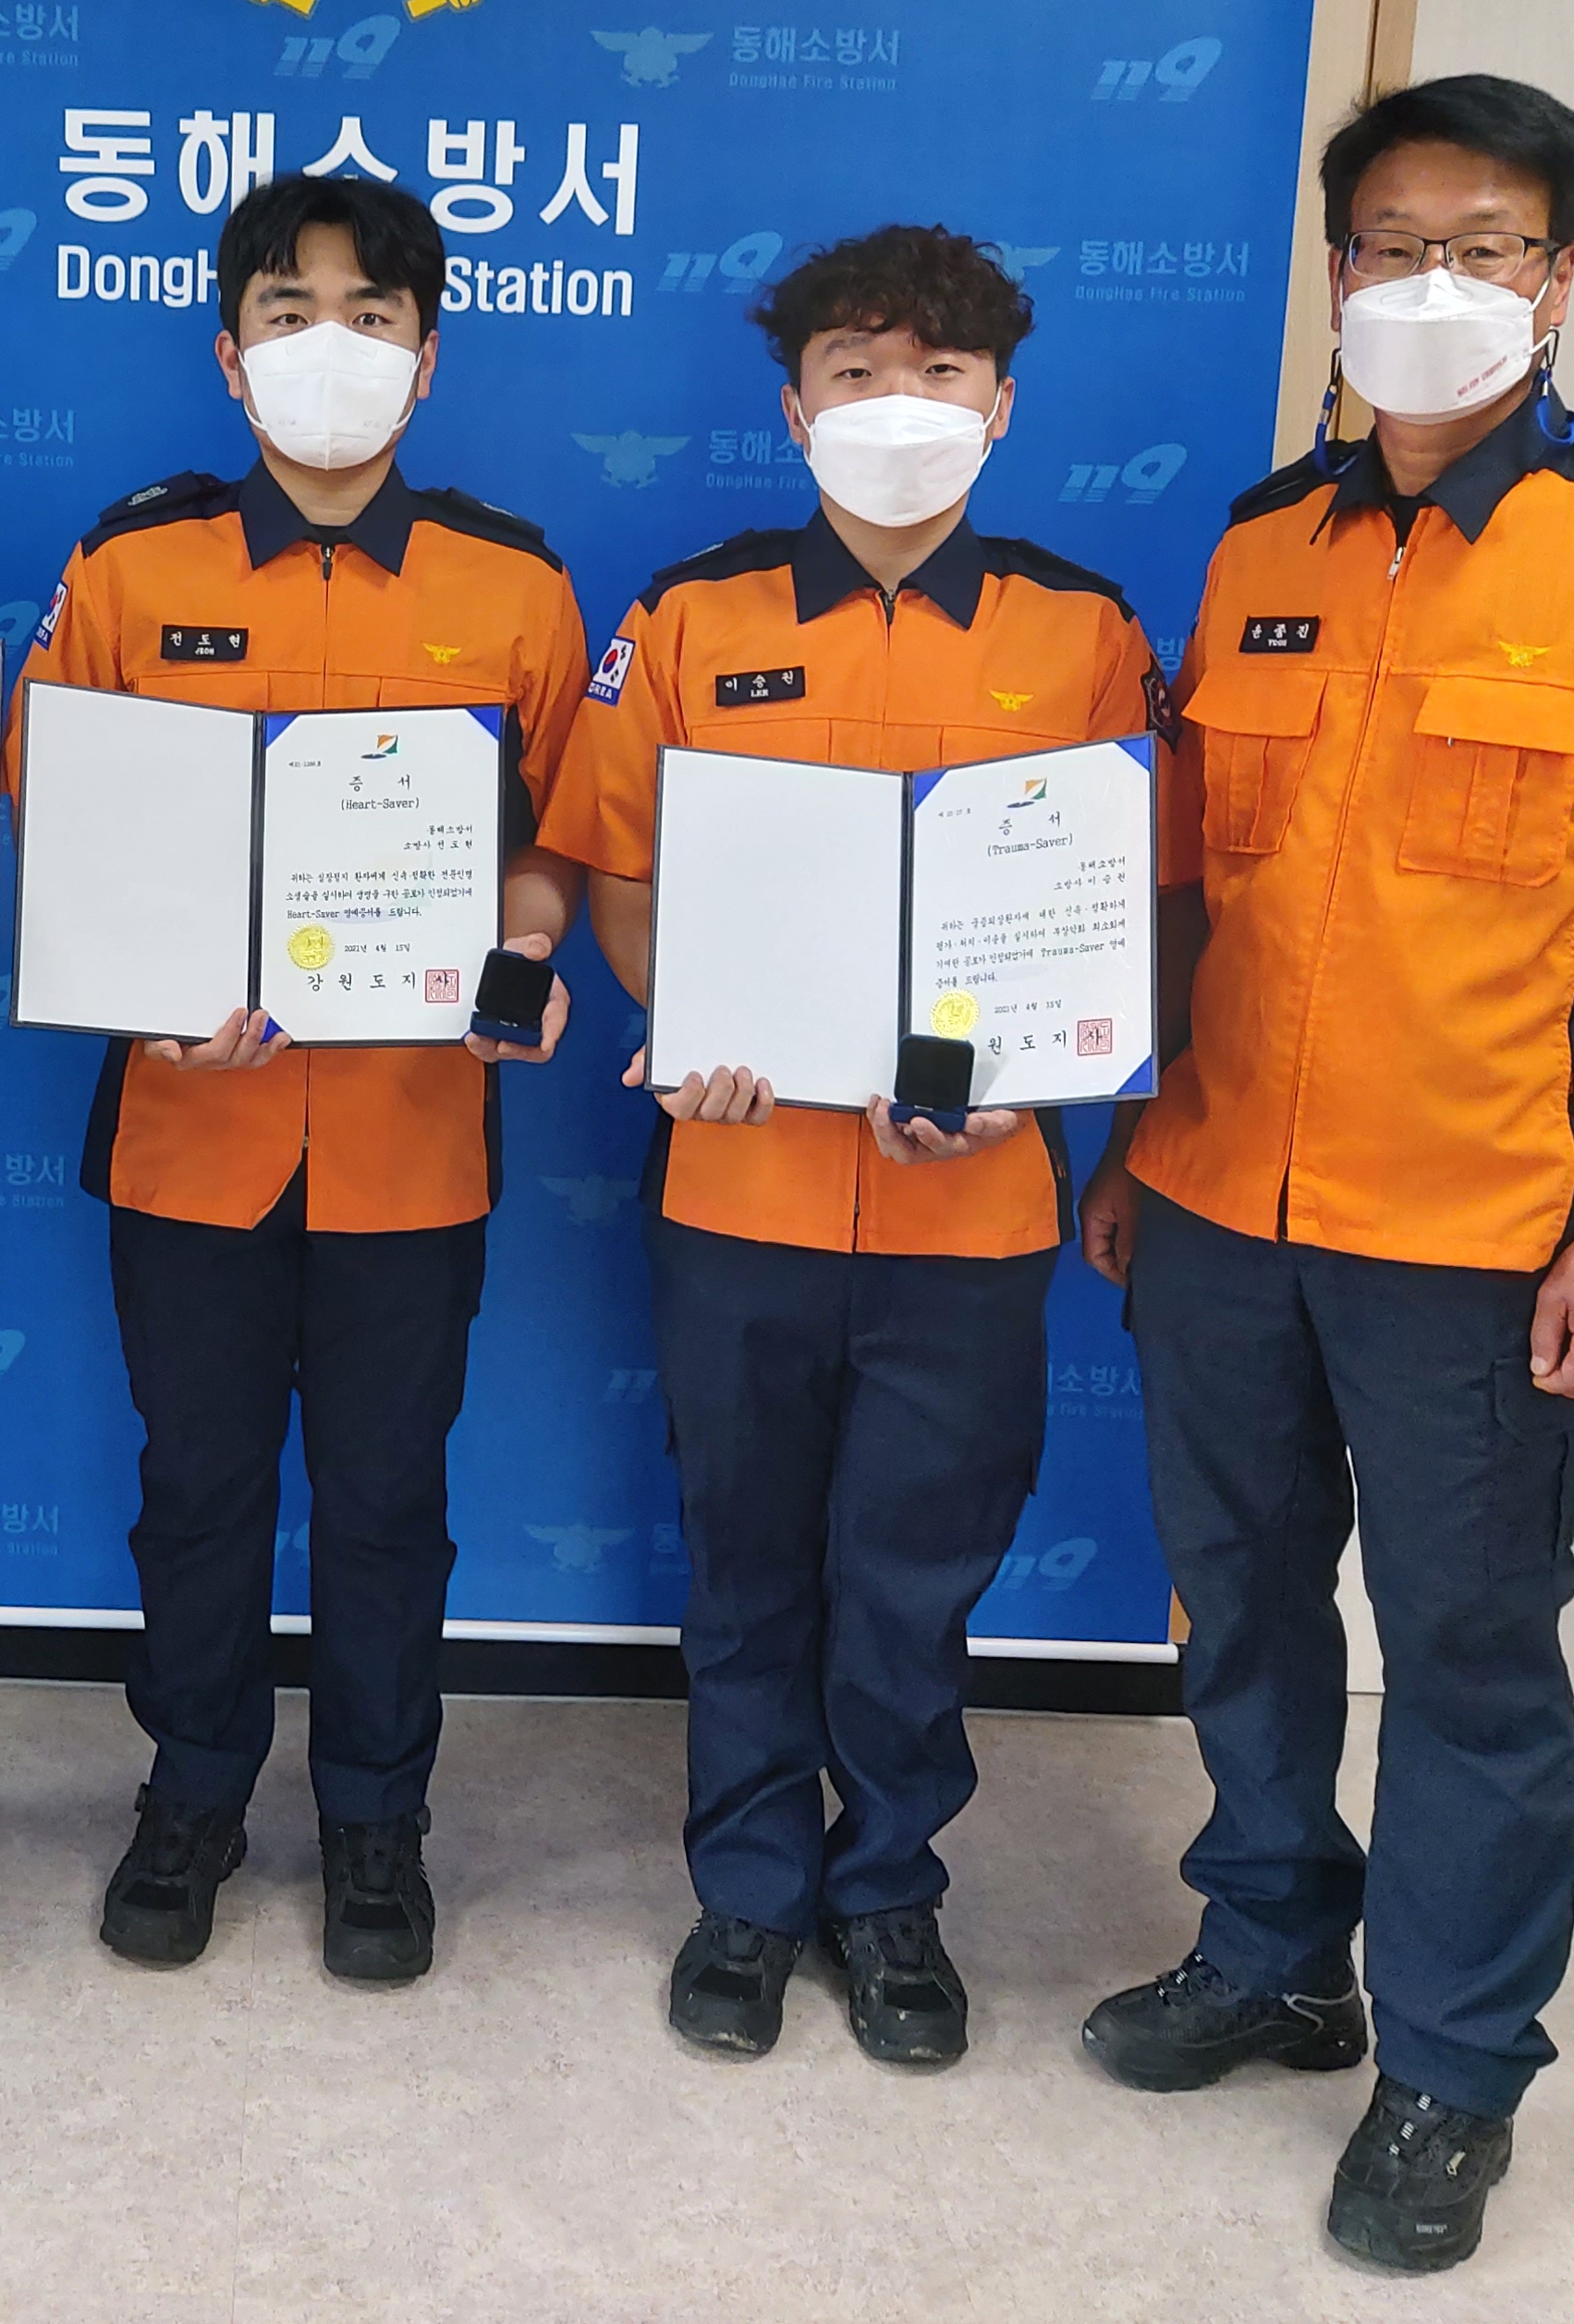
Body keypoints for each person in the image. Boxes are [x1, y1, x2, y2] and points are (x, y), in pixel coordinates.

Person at [1075, 75, 1574, 2273]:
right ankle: (1274, 1948)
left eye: (1485, 246)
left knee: (1472, 1658)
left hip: (1484, 1233)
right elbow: (1199, 886)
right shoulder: (1262, 545)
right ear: (1338, 268)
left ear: (1558, 274)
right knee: (1241, 1604)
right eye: (1394, 244)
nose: (1435, 283)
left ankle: (1454, 2070)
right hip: (1223, 1203)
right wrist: (1136, 1142)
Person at [543, 224, 1164, 2065]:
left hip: (972, 1206)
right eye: (858, 372)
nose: (902, 406)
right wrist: (692, 1028)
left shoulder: (1083, 633)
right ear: (793, 406)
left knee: (913, 1578)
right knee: (744, 1562)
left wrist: (1035, 1084)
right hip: (737, 1185)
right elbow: (619, 874)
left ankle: (889, 1891)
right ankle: (748, 1892)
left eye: (942, 373)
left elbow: (1110, 917)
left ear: (1004, 406)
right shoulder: (691, 618)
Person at [11, 171, 588, 1983]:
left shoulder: (515, 583)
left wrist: (524, 959)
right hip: (194, 1129)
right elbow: (68, 825)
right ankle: (191, 1791)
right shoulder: (131, 568)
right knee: (197, 1486)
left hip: (413, 1140)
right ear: (227, 352)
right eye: (287, 311)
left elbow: (554, 842)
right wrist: (137, 997)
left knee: (388, 1498)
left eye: (370, 313)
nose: (327, 344)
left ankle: (374, 1817)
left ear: (427, 356)